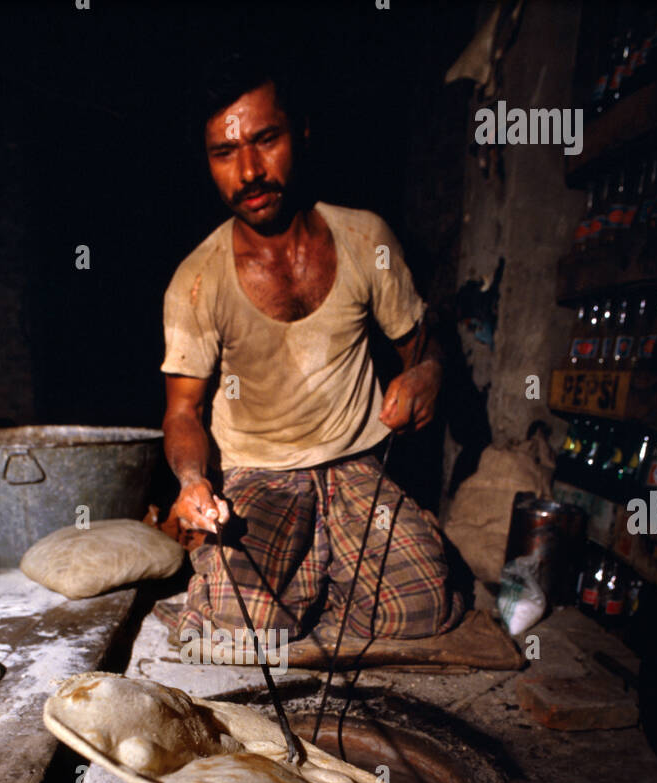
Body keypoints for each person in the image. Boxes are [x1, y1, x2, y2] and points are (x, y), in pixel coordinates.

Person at [158, 55, 462, 651]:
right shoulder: (196, 278)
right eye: (225, 153)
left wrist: (428, 370)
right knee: (244, 629)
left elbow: (421, 339)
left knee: (422, 609)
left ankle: (322, 569)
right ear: (210, 163)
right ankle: (271, 582)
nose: (248, 171)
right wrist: (193, 480)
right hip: (258, 477)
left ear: (300, 133)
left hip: (354, 470)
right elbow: (182, 411)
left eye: (265, 140)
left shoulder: (364, 238)